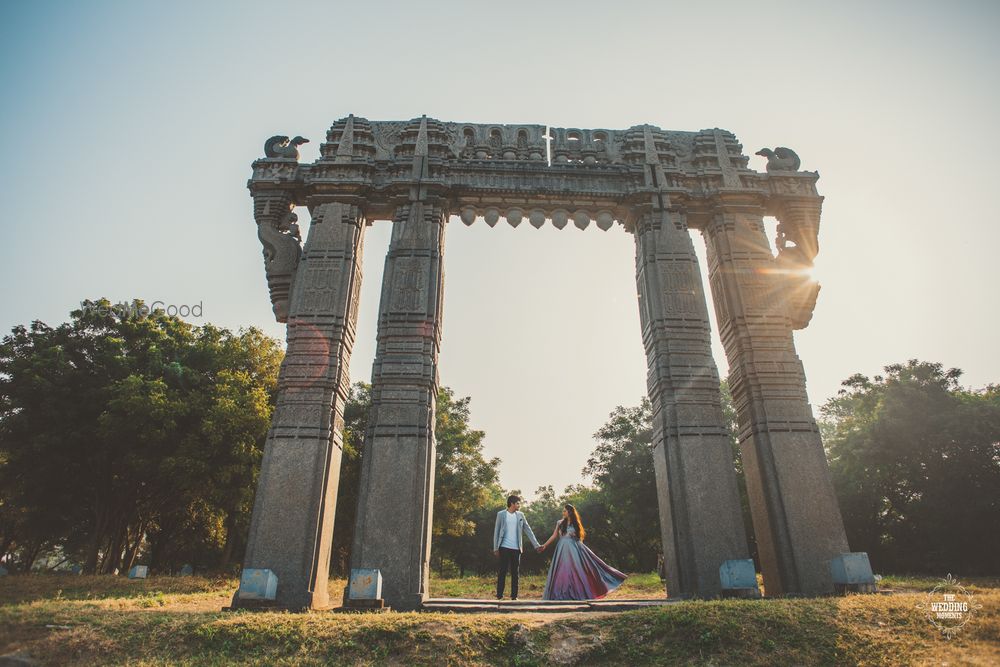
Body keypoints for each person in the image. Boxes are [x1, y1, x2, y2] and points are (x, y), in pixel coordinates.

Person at [538, 503, 627, 600]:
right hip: (562, 548)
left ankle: (579, 592)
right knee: (562, 570)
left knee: (577, 570)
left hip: (573, 548)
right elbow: (554, 535)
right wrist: (544, 545)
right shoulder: (559, 522)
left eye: (564, 511)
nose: (563, 512)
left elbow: (579, 538)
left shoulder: (576, 523)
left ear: (570, 512)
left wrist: (577, 541)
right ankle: (562, 593)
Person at [493, 495, 542, 600]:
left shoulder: (520, 515)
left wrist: (536, 545)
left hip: (516, 548)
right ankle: (499, 595)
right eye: (518, 503)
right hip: (504, 547)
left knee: (515, 572)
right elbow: (496, 531)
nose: (519, 505)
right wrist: (495, 548)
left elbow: (528, 530)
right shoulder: (501, 514)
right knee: (502, 571)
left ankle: (514, 596)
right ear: (512, 503)